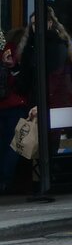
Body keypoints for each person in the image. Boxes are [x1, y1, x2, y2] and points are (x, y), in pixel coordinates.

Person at [0, 27, 30, 196]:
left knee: (3, 144)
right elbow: (19, 80)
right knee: (14, 145)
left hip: (3, 105)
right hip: (14, 105)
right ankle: (5, 181)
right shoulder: (15, 52)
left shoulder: (4, 50)